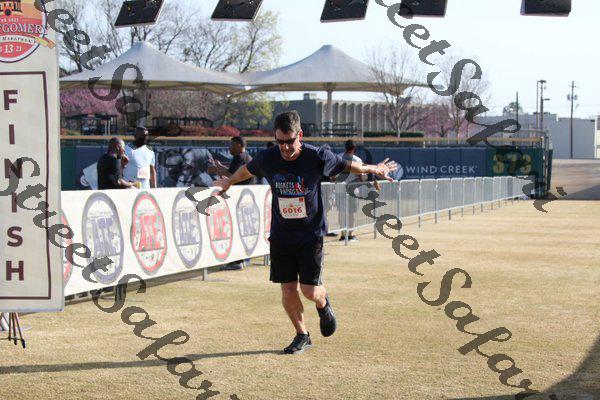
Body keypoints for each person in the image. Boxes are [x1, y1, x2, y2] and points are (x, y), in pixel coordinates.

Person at [213, 111, 397, 355]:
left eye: (290, 141)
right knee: (288, 289)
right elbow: (247, 170)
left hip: (310, 234)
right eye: (280, 142)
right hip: (281, 235)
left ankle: (323, 302)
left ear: (299, 135)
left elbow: (349, 165)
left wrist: (374, 169)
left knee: (310, 291)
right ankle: (302, 335)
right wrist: (228, 181)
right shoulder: (268, 157)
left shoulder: (316, 156)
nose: (285, 147)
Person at [209, 136, 255, 270]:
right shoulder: (247, 157)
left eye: (232, 145)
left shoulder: (239, 157)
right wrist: (220, 167)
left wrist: (218, 168)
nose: (229, 148)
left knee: (235, 230)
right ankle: (243, 259)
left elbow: (231, 177)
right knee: (243, 229)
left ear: (239, 145)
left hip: (238, 199)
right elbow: (236, 174)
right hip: (246, 199)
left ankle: (236, 261)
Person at [335, 139, 366, 242]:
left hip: (340, 189)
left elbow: (333, 175)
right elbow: (362, 177)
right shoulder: (357, 160)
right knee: (351, 213)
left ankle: (343, 234)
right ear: (354, 148)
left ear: (345, 147)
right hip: (352, 190)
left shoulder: (338, 157)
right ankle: (351, 234)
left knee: (341, 212)